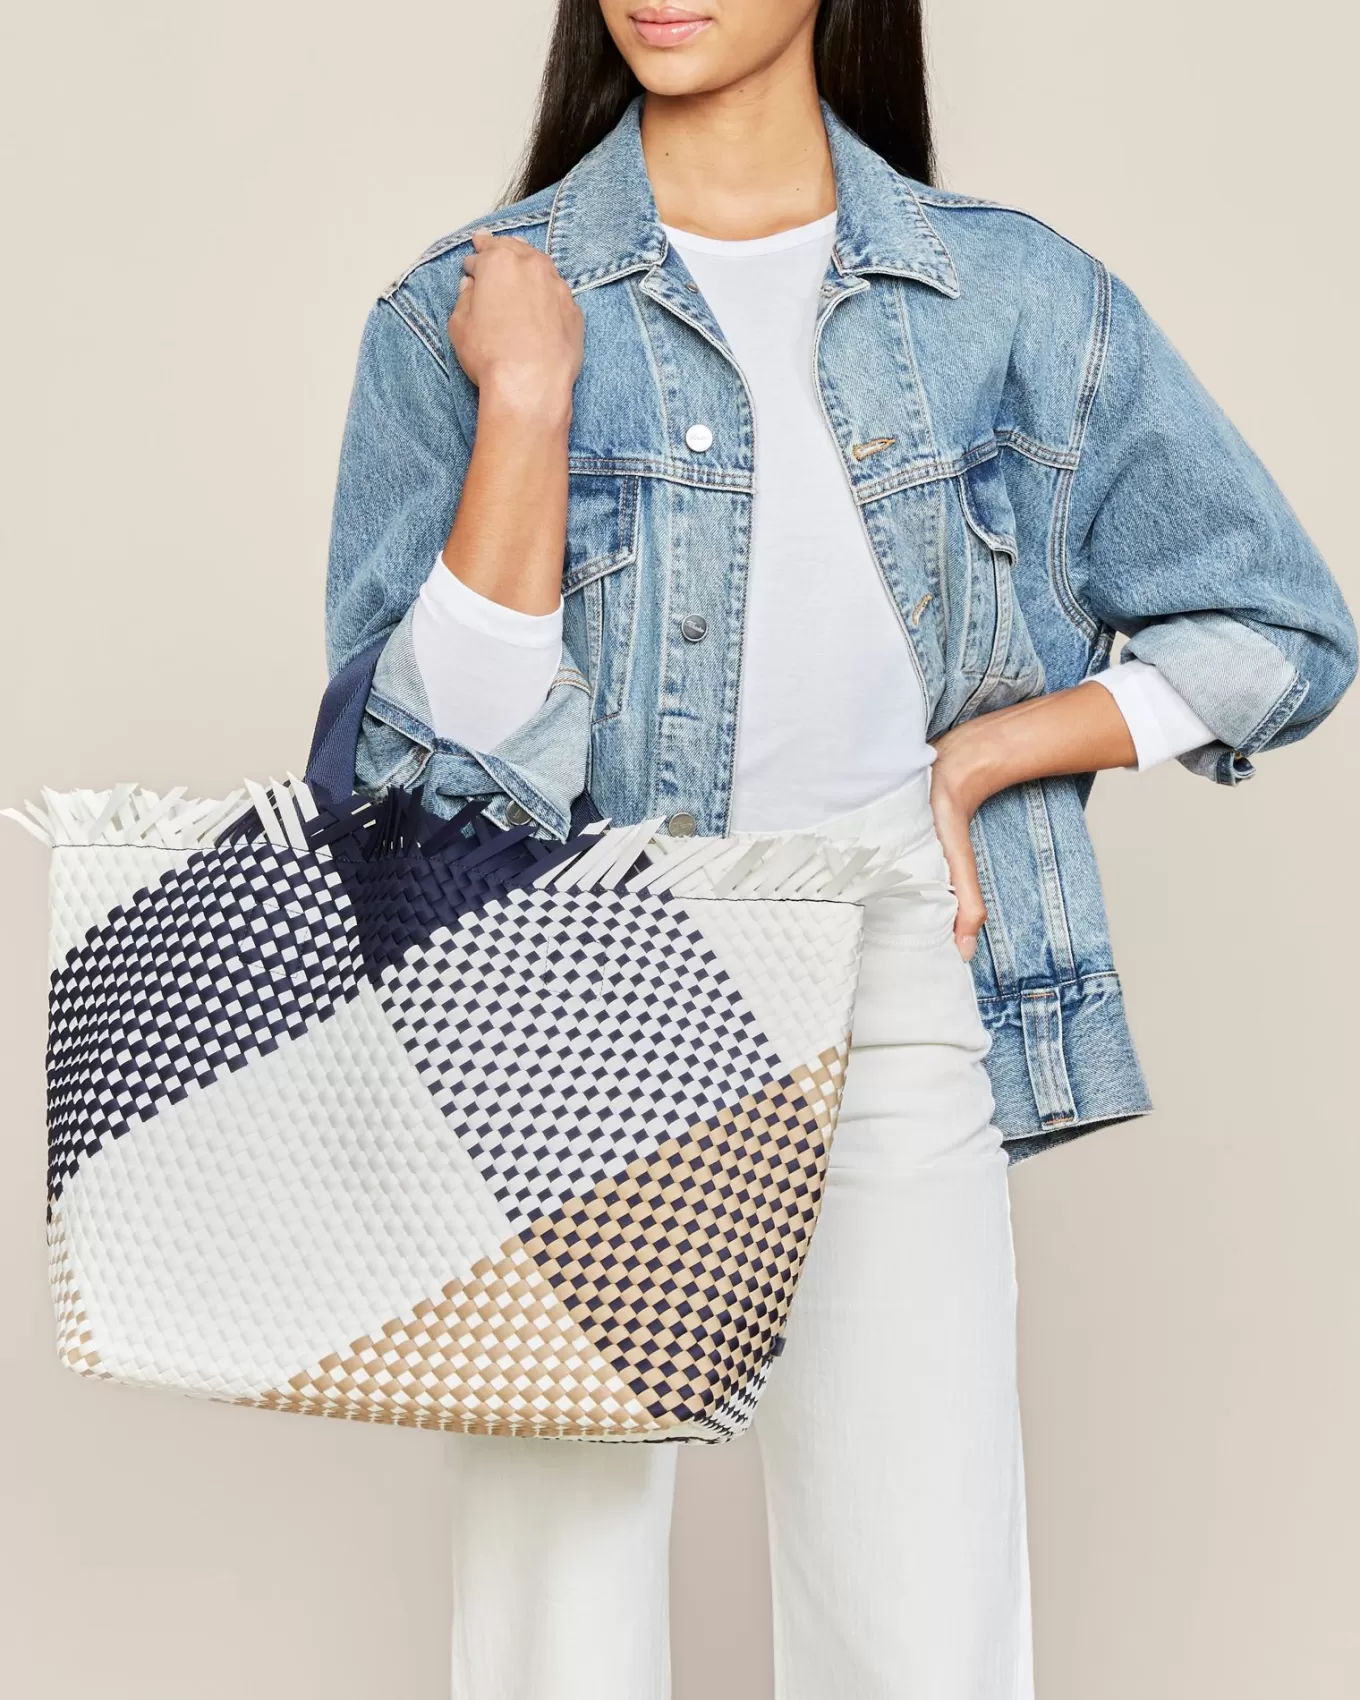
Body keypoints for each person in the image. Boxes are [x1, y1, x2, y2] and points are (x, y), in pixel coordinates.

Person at [323, 4, 1356, 1696]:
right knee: (553, 1633)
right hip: (575, 998)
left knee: (919, 1622)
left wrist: (1001, 747)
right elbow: (425, 788)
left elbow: (1279, 629)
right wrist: (525, 402)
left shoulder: (1006, 296)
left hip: (891, 978)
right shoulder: (467, 304)